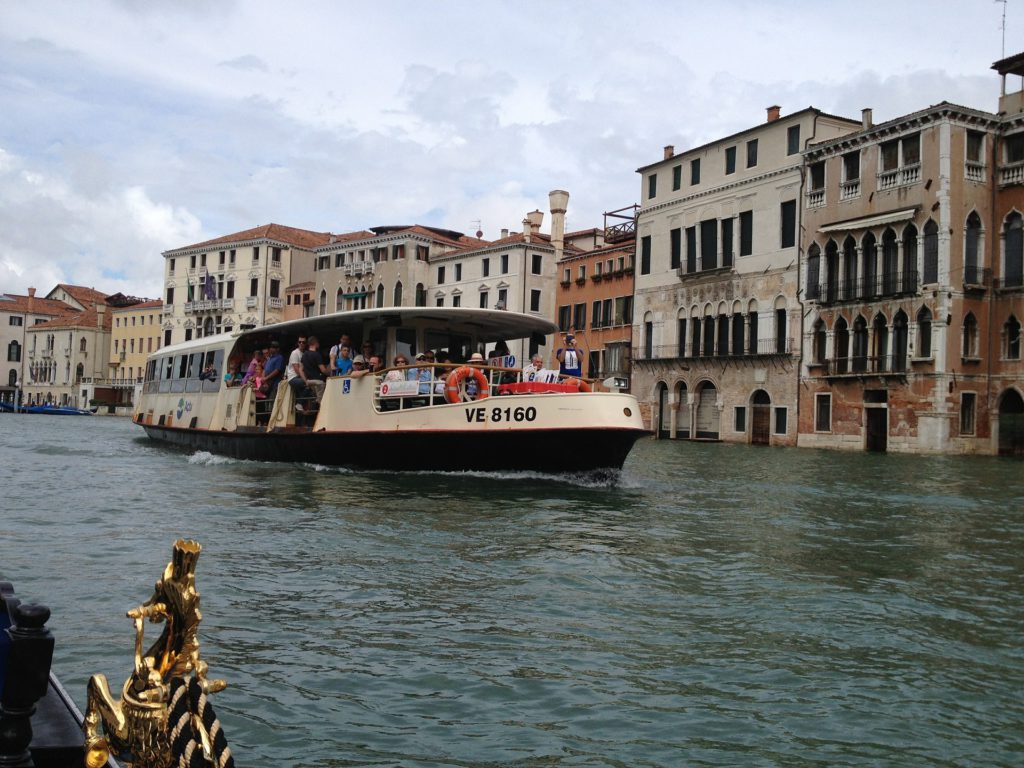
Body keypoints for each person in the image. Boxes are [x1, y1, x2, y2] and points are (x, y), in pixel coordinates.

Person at [299, 335, 329, 407]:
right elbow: (323, 370)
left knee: (314, 399)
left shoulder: (304, 354)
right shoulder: (317, 355)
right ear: (315, 343)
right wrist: (331, 373)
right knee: (321, 402)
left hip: (309, 381)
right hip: (318, 382)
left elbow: (300, 370)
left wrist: (306, 381)